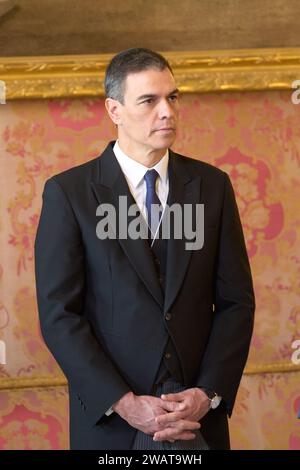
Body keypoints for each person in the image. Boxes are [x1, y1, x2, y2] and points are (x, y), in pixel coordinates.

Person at [34, 48, 255, 450]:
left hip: (197, 421)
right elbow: (59, 315)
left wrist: (207, 392)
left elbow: (237, 303)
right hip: (112, 427)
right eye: (149, 101)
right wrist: (122, 402)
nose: (167, 111)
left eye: (172, 97)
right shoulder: (69, 194)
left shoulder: (212, 187)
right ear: (114, 110)